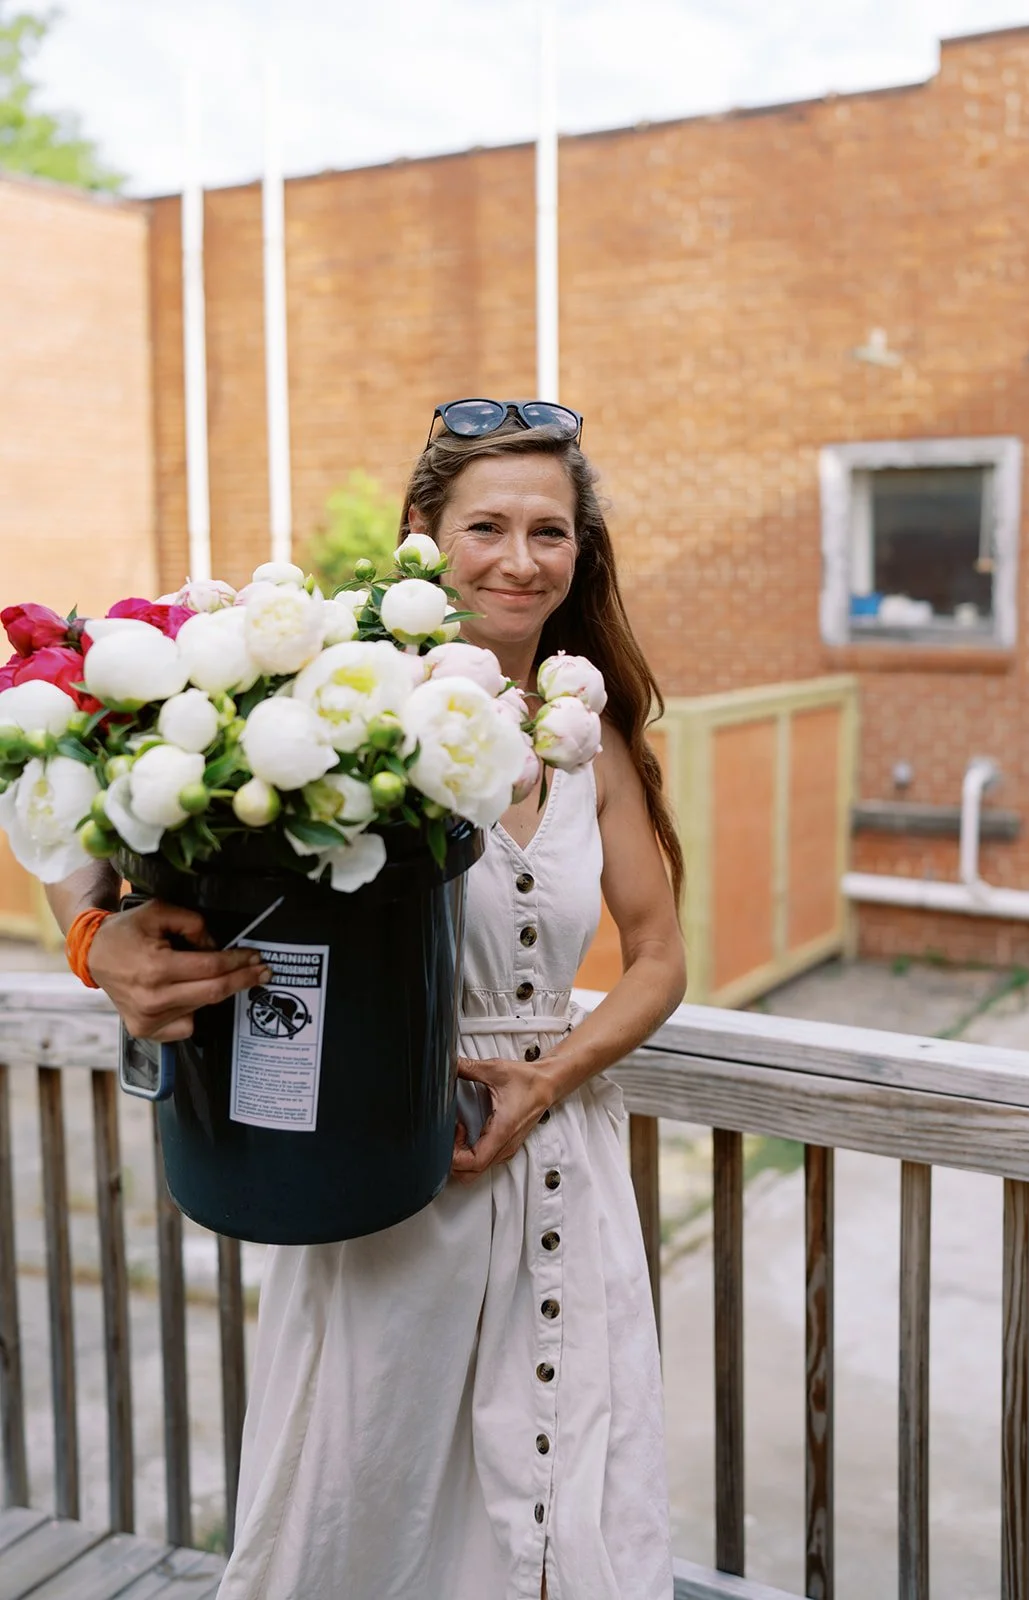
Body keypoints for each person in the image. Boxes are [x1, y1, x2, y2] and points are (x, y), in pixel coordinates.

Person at [47, 398, 687, 1600]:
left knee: (567, 1508)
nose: (519, 558)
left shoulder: (587, 739)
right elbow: (98, 857)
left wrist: (547, 1078)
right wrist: (101, 942)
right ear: (421, 536)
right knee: (365, 1500)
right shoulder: (329, 704)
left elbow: (658, 955)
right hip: (388, 1163)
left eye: (550, 532)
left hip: (561, 1164)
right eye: (485, 524)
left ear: (578, 553)